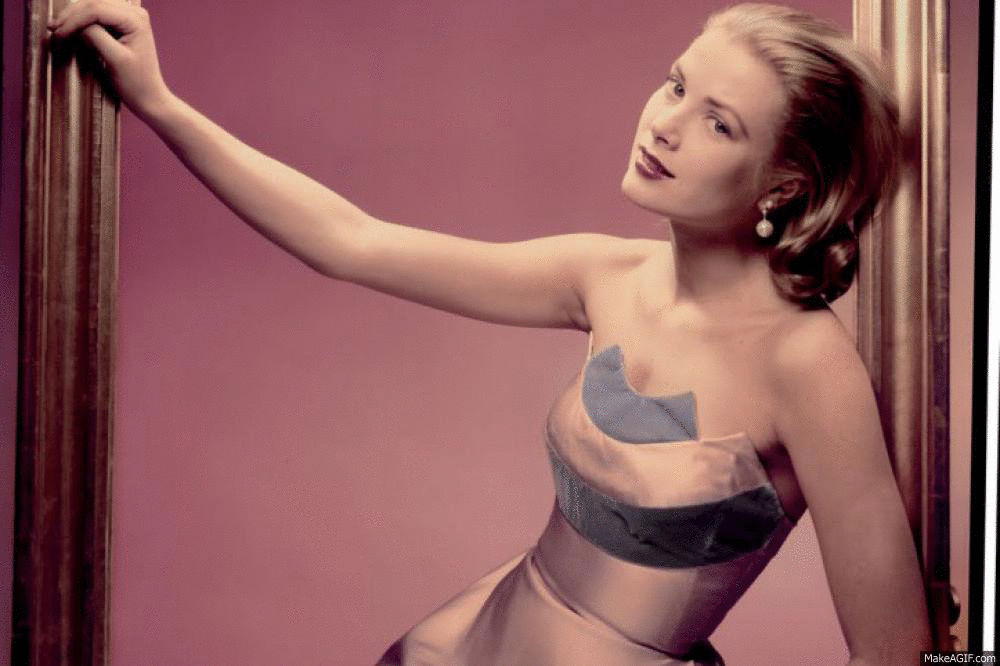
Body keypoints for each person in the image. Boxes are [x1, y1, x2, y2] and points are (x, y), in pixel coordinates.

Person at [49, 1, 934, 664]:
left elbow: (896, 651)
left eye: (718, 122)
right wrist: (159, 103)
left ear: (785, 183)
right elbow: (351, 243)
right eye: (675, 84)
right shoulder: (607, 274)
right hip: (475, 642)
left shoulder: (807, 363)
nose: (663, 124)